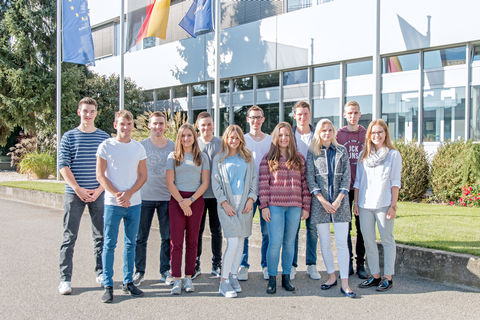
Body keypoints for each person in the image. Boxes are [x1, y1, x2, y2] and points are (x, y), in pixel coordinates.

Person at [58, 97, 110, 295]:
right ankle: (65, 278)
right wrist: (78, 189)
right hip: (74, 194)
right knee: (69, 237)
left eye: (91, 111)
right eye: (85, 111)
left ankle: (101, 272)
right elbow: (63, 165)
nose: (88, 114)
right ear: (79, 112)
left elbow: (108, 168)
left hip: (98, 193)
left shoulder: (104, 137)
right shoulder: (69, 137)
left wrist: (99, 190)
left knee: (100, 236)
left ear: (96, 113)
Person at [96, 110, 147, 303]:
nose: (125, 127)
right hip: (113, 204)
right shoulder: (106, 146)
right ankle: (108, 285)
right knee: (109, 244)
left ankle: (128, 282)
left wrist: (129, 194)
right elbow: (100, 175)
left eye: (128, 123)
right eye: (121, 123)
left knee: (130, 243)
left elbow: (143, 176)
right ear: (115, 125)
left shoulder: (138, 148)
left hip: (134, 203)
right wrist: (118, 195)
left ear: (132, 125)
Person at [259, 122, 311, 294]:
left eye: (287, 135)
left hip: (295, 206)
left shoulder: (299, 159)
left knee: (289, 243)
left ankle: (286, 277)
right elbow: (263, 185)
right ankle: (272, 278)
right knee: (274, 243)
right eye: (280, 135)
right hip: (275, 206)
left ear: (291, 137)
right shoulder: (268, 159)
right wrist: (264, 206)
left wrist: (306, 206)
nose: (284, 138)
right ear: (276, 137)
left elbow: (305, 184)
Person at [306, 119, 356, 298]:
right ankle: (331, 276)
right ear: (319, 133)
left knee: (342, 244)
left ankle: (345, 282)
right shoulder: (313, 152)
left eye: (330, 130)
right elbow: (310, 178)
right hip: (320, 205)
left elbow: (346, 178)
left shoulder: (342, 151)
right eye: (323, 130)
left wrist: (337, 201)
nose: (327, 133)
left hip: (340, 204)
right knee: (325, 243)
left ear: (334, 132)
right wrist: (322, 200)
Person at [354, 119, 402, 292]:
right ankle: (374, 275)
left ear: (385, 134)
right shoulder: (364, 155)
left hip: (384, 204)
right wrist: (356, 203)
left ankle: (387, 277)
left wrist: (393, 205)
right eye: (373, 133)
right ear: (369, 135)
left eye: (380, 132)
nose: (377, 135)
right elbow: (358, 181)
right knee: (368, 240)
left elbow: (395, 182)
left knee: (387, 240)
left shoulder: (393, 155)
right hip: (365, 204)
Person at [211, 125, 257, 298]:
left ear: (241, 140)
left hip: (244, 204)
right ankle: (223, 282)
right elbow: (216, 184)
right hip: (227, 205)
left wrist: (251, 199)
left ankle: (233, 276)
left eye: (237, 138)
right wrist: (224, 203)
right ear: (226, 138)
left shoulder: (247, 158)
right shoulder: (219, 159)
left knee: (241, 242)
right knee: (232, 243)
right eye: (231, 138)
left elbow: (253, 179)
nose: (234, 141)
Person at [166, 123, 209, 295]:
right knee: (176, 242)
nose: (186, 139)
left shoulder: (202, 157)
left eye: (189, 135)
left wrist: (190, 201)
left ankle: (189, 277)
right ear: (179, 138)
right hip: (177, 200)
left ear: (194, 137)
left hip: (195, 200)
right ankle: (176, 278)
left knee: (192, 241)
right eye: (183, 135)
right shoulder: (173, 156)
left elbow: (205, 183)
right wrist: (182, 202)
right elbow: (169, 182)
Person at [133, 112, 175, 286]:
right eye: (155, 123)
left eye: (161, 123)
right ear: (149, 125)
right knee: (140, 237)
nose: (158, 127)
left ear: (166, 126)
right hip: (145, 198)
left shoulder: (173, 146)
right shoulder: (140, 146)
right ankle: (139, 271)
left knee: (167, 237)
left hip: (166, 197)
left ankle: (165, 271)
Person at [238, 105, 272, 281]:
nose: (256, 121)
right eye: (252, 117)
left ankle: (266, 265)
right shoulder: (242, 140)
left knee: (267, 232)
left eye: (259, 117)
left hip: (267, 191)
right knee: (244, 230)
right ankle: (243, 265)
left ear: (263, 119)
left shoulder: (270, 140)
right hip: (247, 193)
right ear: (247, 119)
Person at [336, 101, 368, 279]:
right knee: (345, 227)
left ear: (360, 114)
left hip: (362, 188)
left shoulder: (366, 134)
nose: (353, 116)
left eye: (356, 113)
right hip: (344, 188)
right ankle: (346, 262)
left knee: (361, 227)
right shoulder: (339, 135)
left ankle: (360, 263)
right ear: (344, 115)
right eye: (350, 113)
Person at [291, 101, 320, 281]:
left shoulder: (317, 135)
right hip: (294, 186)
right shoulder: (289, 134)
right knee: (293, 228)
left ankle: (311, 264)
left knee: (312, 228)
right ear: (294, 116)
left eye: (305, 114)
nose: (302, 117)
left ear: (310, 115)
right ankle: (292, 264)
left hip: (314, 186)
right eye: (299, 114)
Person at [193, 112, 223, 279]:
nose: (206, 127)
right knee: (197, 230)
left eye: (209, 124)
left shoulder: (221, 144)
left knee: (216, 230)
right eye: (203, 125)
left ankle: (216, 263)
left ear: (213, 125)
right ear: (198, 126)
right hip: (198, 195)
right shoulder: (193, 143)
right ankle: (195, 263)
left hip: (216, 195)